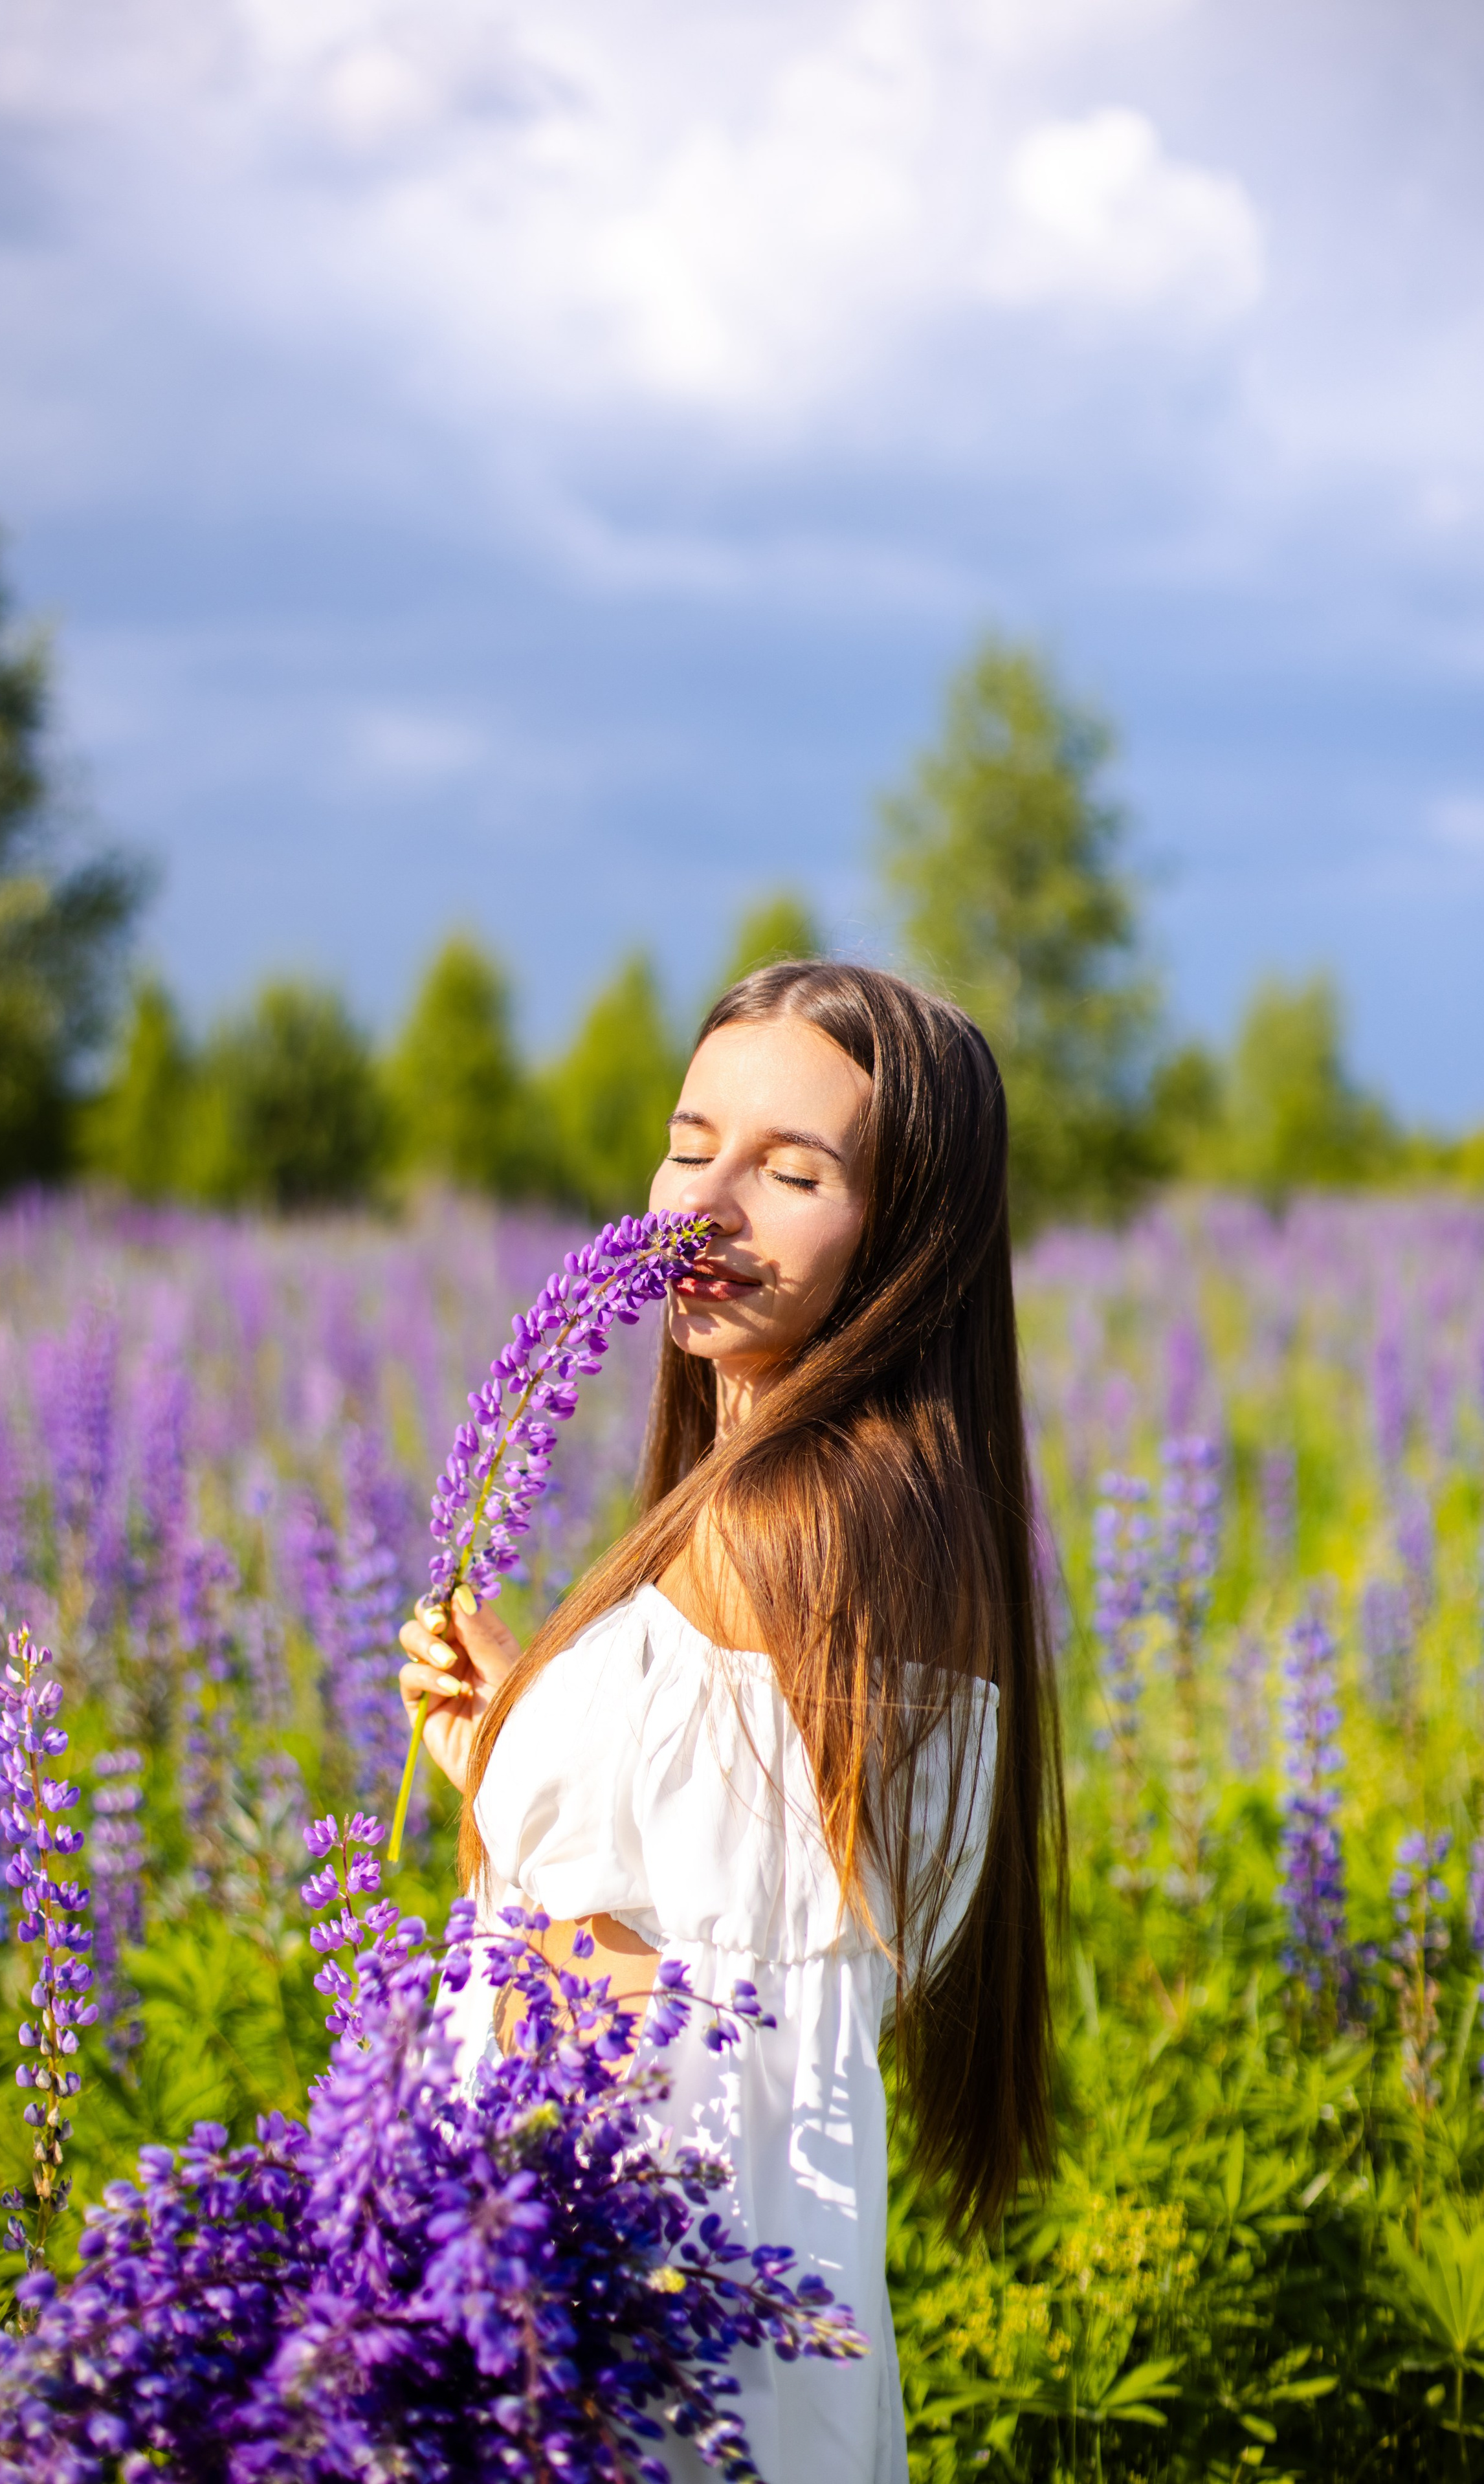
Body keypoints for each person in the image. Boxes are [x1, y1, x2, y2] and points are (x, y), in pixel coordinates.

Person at [397, 960, 1062, 2484]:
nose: (702, 1206)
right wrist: (514, 1742)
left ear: (906, 1232)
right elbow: (718, 1891)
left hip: (650, 2300)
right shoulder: (872, 1502)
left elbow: (700, 2009)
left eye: (790, 1170)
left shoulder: (797, 1526)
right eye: (690, 1144)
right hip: (712, 2272)